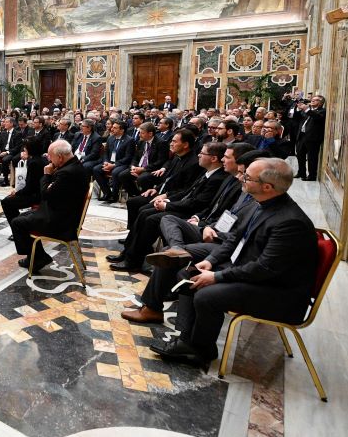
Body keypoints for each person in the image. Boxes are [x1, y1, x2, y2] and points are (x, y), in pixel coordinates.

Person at [148, 158, 319, 367]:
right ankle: (187, 340)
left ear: (267, 186)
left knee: (206, 295)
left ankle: (201, 349)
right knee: (188, 275)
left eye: (248, 177)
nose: (242, 180)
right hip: (250, 272)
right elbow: (233, 240)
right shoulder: (258, 204)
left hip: (278, 291)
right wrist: (210, 262)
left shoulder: (289, 222)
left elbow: (265, 268)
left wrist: (217, 277)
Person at [121, 148, 265, 325]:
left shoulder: (271, 210)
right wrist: (204, 222)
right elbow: (220, 211)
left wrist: (210, 235)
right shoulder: (239, 186)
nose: (241, 178)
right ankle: (176, 250)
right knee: (166, 222)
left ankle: (160, 312)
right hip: (213, 230)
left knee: (168, 248)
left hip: (224, 244)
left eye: (246, 175)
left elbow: (254, 254)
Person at [110, 141, 228, 273]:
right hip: (183, 205)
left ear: (213, 158)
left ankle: (134, 260)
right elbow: (187, 192)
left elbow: (197, 203)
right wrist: (166, 197)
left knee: (151, 218)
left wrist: (167, 205)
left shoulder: (217, 178)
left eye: (202, 153)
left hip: (191, 213)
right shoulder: (207, 172)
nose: (199, 155)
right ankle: (128, 252)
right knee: (143, 211)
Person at [9, 140, 91, 273]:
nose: (48, 159)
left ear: (60, 157)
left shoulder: (66, 173)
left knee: (17, 223)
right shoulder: (75, 165)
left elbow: (45, 194)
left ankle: (37, 258)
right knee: (23, 217)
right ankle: (37, 256)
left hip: (61, 222)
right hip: (63, 211)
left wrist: (46, 175)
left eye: (50, 156)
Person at [93, 120, 134, 202]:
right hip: (110, 162)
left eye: (115, 128)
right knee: (96, 169)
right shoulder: (110, 138)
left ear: (122, 130)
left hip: (122, 164)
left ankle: (114, 196)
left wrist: (114, 165)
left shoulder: (129, 140)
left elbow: (128, 157)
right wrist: (106, 162)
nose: (112, 129)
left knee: (115, 172)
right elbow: (105, 153)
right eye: (112, 127)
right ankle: (107, 193)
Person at [295, 94, 326, 181]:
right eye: (312, 99)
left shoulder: (322, 111)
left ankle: (312, 176)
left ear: (320, 103)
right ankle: (301, 173)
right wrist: (299, 108)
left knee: (312, 157)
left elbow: (316, 117)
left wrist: (307, 109)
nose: (312, 100)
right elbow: (297, 117)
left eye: (315, 100)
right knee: (300, 155)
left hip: (313, 138)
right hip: (302, 136)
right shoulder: (309, 110)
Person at [0, 117, 24, 186]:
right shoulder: (3, 133)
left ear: (11, 124)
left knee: (5, 160)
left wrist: (7, 152)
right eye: (4, 122)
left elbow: (18, 147)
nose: (4, 123)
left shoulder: (17, 133)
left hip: (11, 152)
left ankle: (5, 179)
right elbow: (0, 143)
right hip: (2, 151)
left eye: (6, 122)